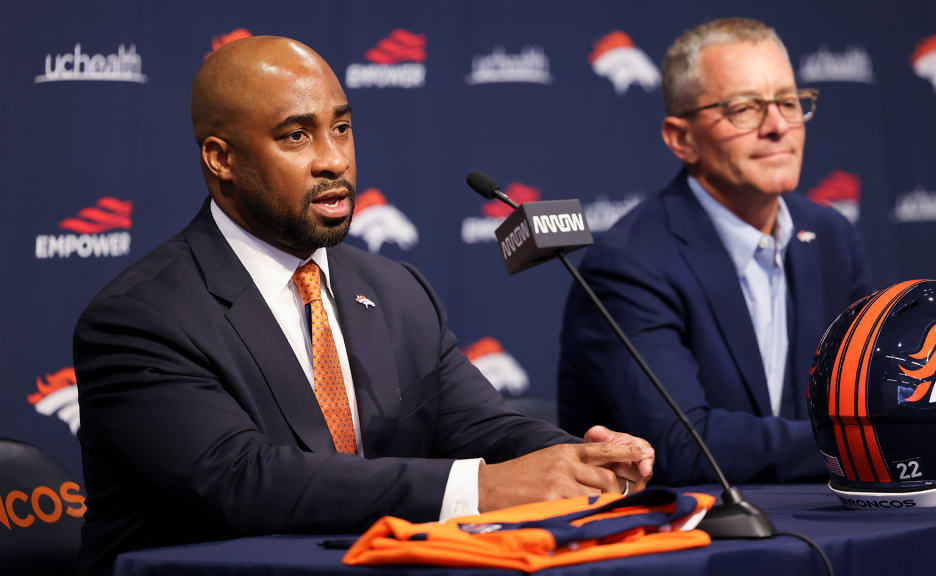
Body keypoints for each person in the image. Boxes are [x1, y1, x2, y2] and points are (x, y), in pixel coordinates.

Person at [73, 36, 654, 576]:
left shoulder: (397, 289)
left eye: (342, 128)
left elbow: (481, 428)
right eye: (296, 136)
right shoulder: (142, 317)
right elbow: (243, 483)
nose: (334, 160)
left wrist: (573, 459)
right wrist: (483, 489)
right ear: (220, 159)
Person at [558, 18, 871, 486]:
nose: (777, 126)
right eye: (744, 108)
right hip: (691, 538)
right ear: (681, 139)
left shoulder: (830, 236)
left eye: (789, 102)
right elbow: (683, 445)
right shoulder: (629, 262)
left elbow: (868, 395)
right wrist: (868, 441)